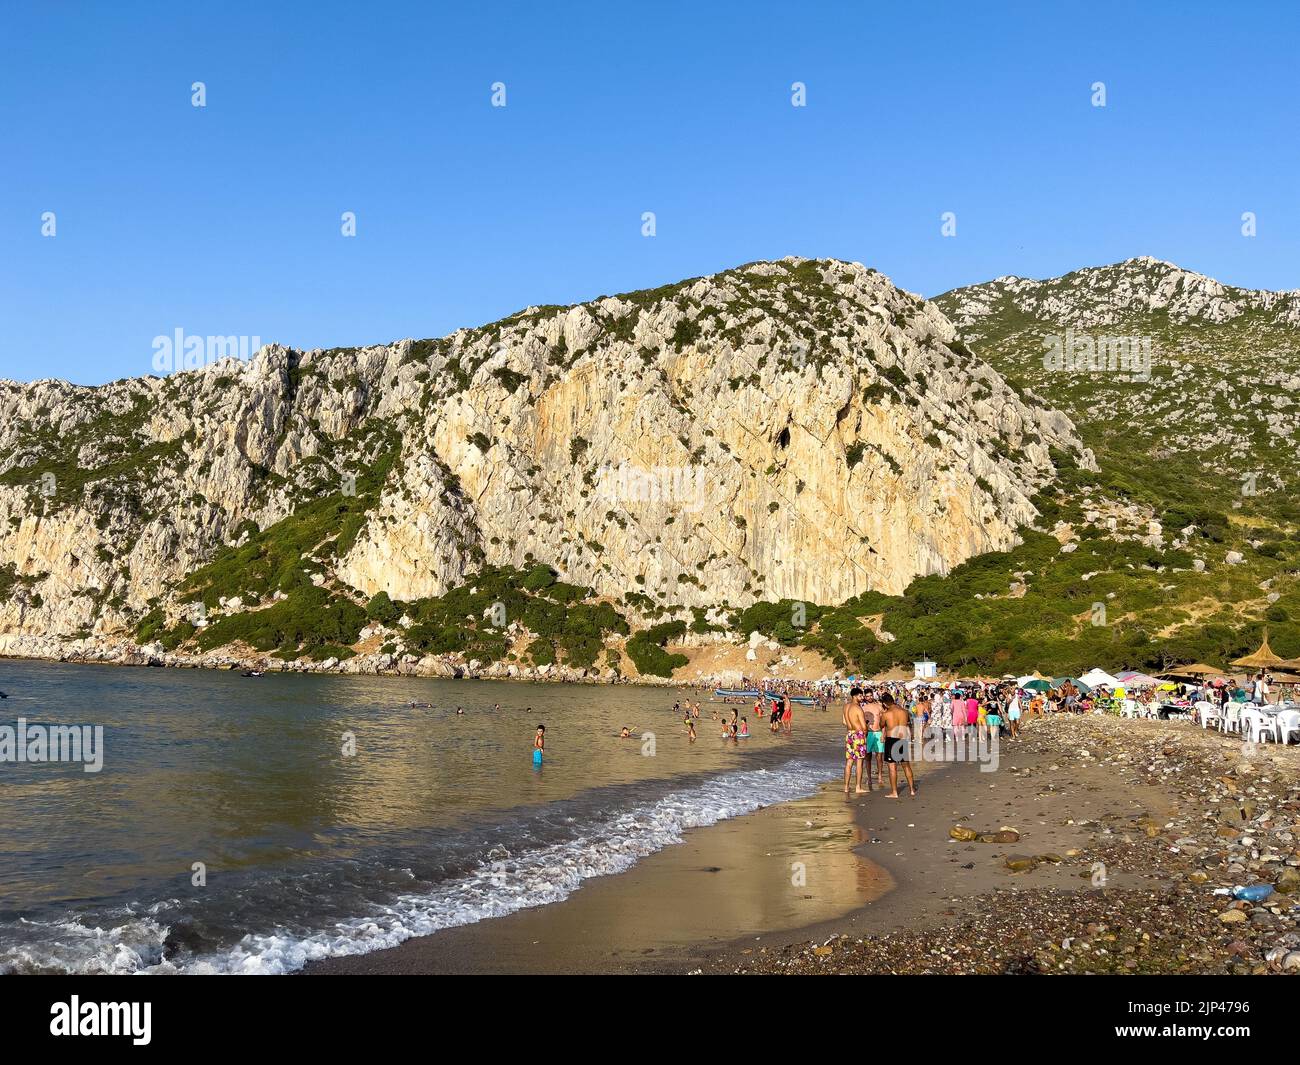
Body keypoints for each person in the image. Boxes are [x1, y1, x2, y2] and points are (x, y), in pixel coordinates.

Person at [878, 693, 916, 798]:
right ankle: (912, 789)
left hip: (891, 740)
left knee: (892, 767)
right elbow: (909, 724)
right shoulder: (904, 712)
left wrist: (882, 716)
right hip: (902, 739)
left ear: (885, 704)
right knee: (906, 765)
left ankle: (894, 792)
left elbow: (881, 725)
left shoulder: (886, 714)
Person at [842, 686, 869, 794]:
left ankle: (846, 787)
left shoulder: (846, 707)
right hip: (858, 735)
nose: (862, 697)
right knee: (859, 762)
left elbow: (844, 722)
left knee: (849, 762)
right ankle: (858, 787)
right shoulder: (857, 708)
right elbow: (864, 726)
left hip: (849, 734)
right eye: (860, 695)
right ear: (854, 696)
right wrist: (865, 733)